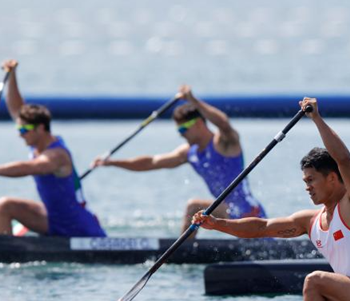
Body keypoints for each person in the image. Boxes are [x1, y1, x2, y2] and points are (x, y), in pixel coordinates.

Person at [192, 97, 350, 301]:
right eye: (305, 181)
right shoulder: (310, 221)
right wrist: (217, 224)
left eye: (311, 180)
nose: (307, 187)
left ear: (332, 178)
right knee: (316, 282)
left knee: (315, 281)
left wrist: (316, 119)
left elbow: (343, 160)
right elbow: (261, 227)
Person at [92, 85, 265, 235]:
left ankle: (183, 251)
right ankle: (186, 252)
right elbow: (151, 162)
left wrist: (194, 101)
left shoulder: (224, 144)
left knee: (194, 207)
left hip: (248, 212)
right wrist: (112, 162)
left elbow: (224, 124)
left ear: (199, 123)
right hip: (227, 210)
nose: (181, 135)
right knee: (195, 209)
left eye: (183, 129)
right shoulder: (189, 152)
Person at [0, 59, 106, 238]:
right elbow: (17, 109)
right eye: (19, 129)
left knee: (5, 204)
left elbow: (29, 168)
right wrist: (12, 75)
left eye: (24, 130)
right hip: (54, 217)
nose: (20, 134)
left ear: (40, 128)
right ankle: (5, 247)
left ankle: (4, 251)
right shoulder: (37, 141)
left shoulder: (57, 155)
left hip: (75, 228)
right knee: (4, 206)